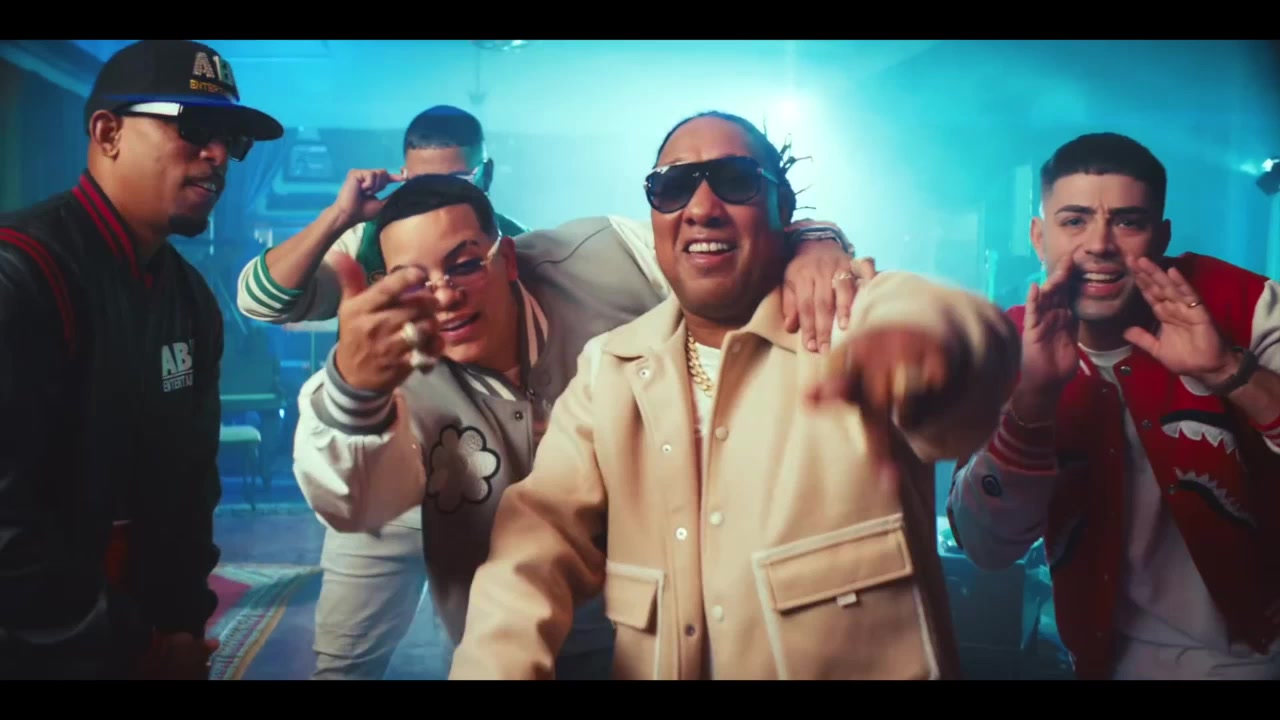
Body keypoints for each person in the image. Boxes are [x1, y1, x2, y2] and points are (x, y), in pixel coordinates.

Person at [444, 111, 1021, 680]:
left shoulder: (853, 314)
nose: (700, 207)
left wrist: (932, 354)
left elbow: (959, 328)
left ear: (783, 209)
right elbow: (533, 549)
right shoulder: (609, 371)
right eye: (672, 187)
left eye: (736, 180)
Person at [291, 163, 863, 680]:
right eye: (414, 282)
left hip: (652, 613)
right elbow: (355, 505)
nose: (444, 297)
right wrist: (356, 391)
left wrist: (811, 241)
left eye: (464, 265)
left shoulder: (607, 254)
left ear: (507, 258)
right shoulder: (388, 365)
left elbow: (721, 254)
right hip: (483, 595)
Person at [946, 132, 1280, 680]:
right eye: (1074, 220)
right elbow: (985, 548)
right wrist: (1032, 402)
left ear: (1161, 237)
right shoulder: (1004, 346)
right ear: (1038, 236)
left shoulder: (1244, 303)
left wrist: (1229, 371)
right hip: (1097, 663)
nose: (1099, 244)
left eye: (1128, 222)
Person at [0, 39, 284, 679]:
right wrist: (137, 646)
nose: (218, 155)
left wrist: (181, 627)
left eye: (232, 140)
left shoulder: (190, 299)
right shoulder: (23, 271)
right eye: (195, 128)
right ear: (108, 133)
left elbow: (190, 487)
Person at [236, 104, 527, 326]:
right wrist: (339, 216)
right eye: (423, 183)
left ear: (486, 174)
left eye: (457, 182)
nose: (440, 198)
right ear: (405, 176)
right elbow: (260, 301)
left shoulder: (522, 243)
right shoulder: (363, 241)